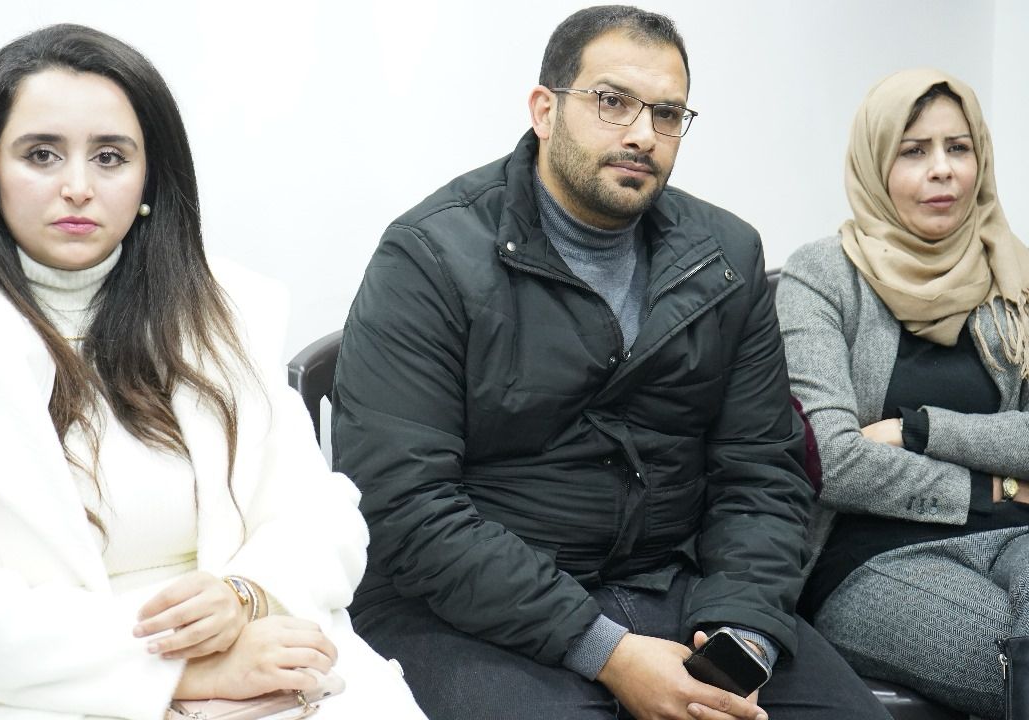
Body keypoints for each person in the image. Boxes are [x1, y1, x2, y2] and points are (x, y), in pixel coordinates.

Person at [0, 24, 423, 720]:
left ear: (148, 179)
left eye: (109, 157)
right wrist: (185, 671)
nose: (77, 187)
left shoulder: (221, 310)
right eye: (41, 155)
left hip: (251, 651)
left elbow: (320, 517)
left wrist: (246, 596)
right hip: (14, 688)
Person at [331, 5, 888, 720]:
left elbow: (762, 472)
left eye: (667, 114)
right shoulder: (429, 256)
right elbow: (406, 506)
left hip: (673, 588)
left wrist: (741, 634)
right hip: (464, 610)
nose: (642, 134)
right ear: (544, 110)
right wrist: (607, 651)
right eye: (612, 101)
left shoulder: (725, 257)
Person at [777, 68, 1029, 719]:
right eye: (913, 151)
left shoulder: (1014, 277)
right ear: (875, 164)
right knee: (1008, 659)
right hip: (873, 553)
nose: (942, 169)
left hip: (1018, 534)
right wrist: (993, 487)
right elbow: (831, 460)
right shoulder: (821, 277)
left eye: (958, 147)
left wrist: (918, 430)